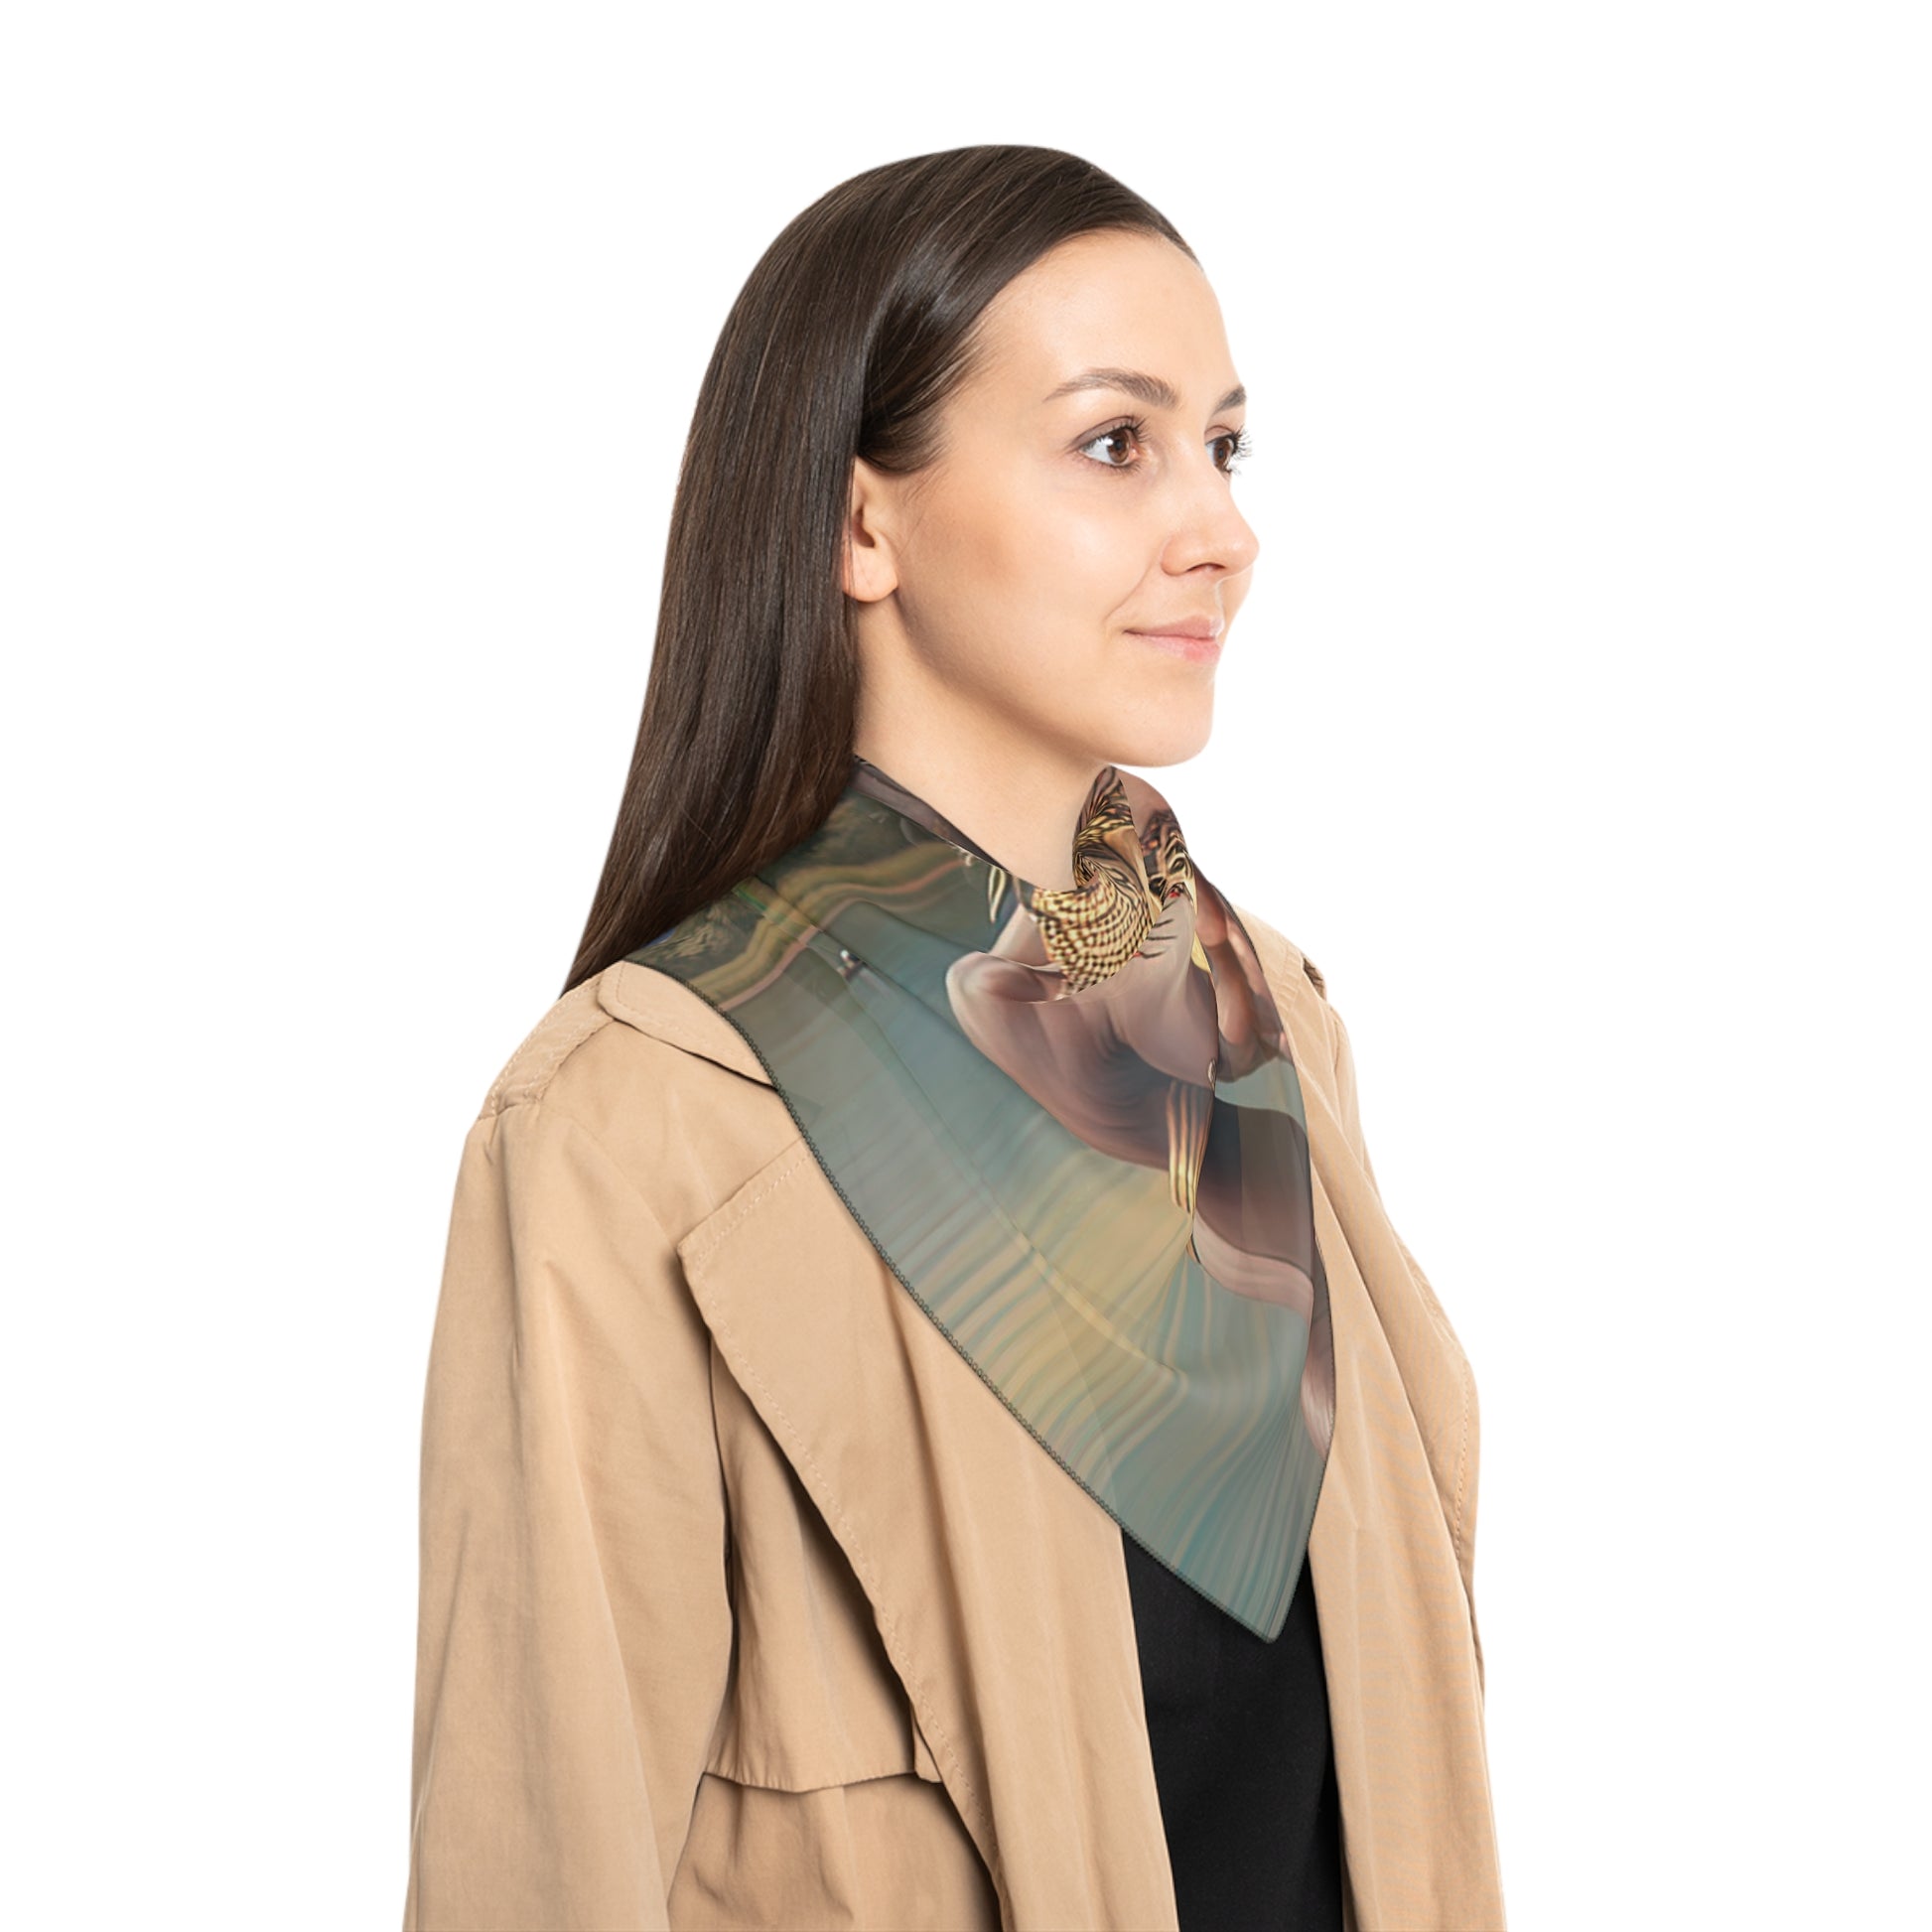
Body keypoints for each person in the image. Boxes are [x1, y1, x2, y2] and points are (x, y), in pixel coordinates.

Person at [402, 144, 1506, 1932]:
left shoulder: (1260, 1023)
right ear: (862, 525)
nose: (1218, 529)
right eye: (1113, 442)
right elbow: (542, 1861)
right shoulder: (643, 1121)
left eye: (1223, 446)